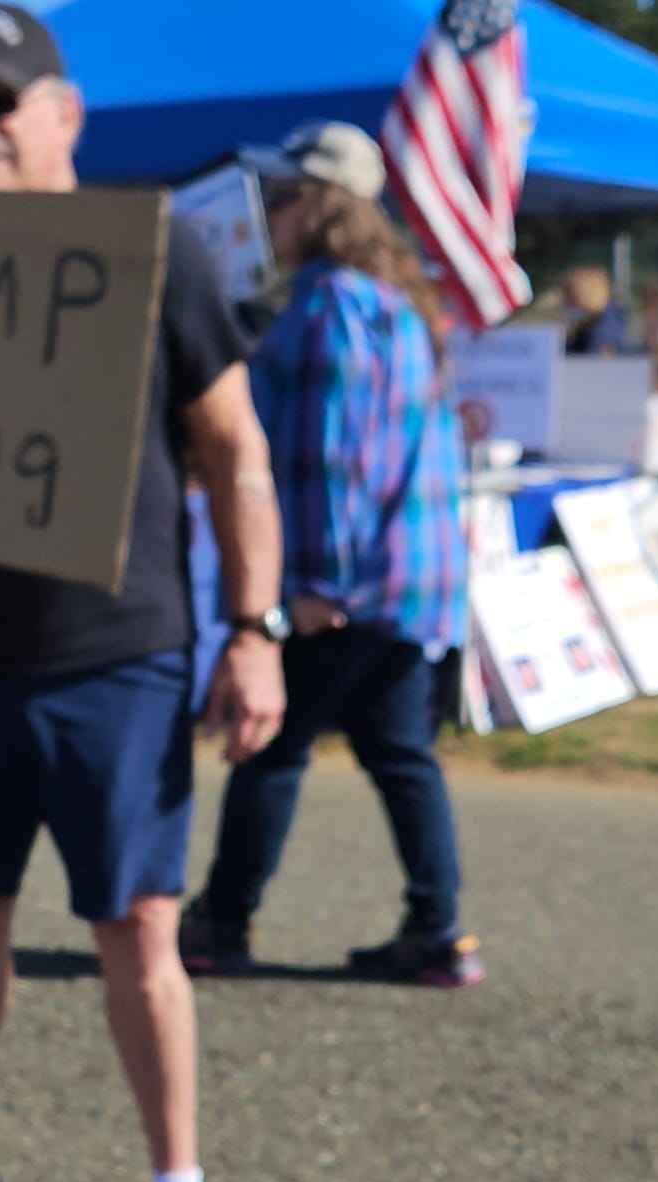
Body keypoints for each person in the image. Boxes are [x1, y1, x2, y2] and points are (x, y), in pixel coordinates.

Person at [0, 8, 286, 1182]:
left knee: (137, 932)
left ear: (63, 116)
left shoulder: (154, 253)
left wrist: (252, 628)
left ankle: (173, 1176)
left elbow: (234, 455)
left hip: (114, 655)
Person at [178, 121, 485, 989]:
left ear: (315, 205)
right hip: (407, 579)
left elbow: (327, 459)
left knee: (270, 747)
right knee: (399, 754)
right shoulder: (397, 302)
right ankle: (438, 929)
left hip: (341, 582)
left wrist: (307, 585)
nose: (268, 216)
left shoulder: (326, 306)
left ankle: (223, 920)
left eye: (279, 198)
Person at [561, 266, 628, 355]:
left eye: (572, 299)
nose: (566, 303)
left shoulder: (604, 331)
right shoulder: (586, 324)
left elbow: (595, 363)